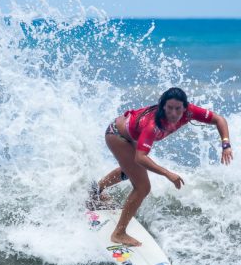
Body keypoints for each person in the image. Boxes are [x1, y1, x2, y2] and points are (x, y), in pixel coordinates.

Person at [93, 87, 233, 246]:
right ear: (162, 107)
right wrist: (167, 173)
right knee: (142, 187)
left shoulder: (189, 112)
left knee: (130, 170)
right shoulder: (153, 124)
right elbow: (140, 158)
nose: (173, 113)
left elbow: (219, 119)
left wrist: (226, 144)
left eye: (178, 109)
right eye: (169, 108)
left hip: (129, 133)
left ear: (185, 107)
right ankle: (119, 233)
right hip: (117, 136)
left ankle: (95, 191)